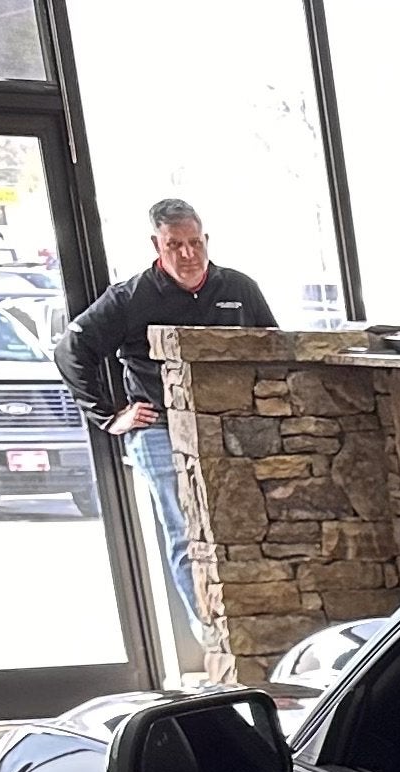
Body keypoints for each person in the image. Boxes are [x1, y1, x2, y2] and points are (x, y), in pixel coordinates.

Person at [55, 199, 273, 622]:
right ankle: (214, 638)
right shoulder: (130, 297)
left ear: (206, 240)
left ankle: (253, 620)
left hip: (234, 425)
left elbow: (274, 346)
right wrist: (110, 414)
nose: (188, 254)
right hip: (159, 428)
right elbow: (71, 350)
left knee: (244, 525)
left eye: (195, 243)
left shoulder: (239, 288)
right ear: (157, 245)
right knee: (186, 532)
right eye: (175, 245)